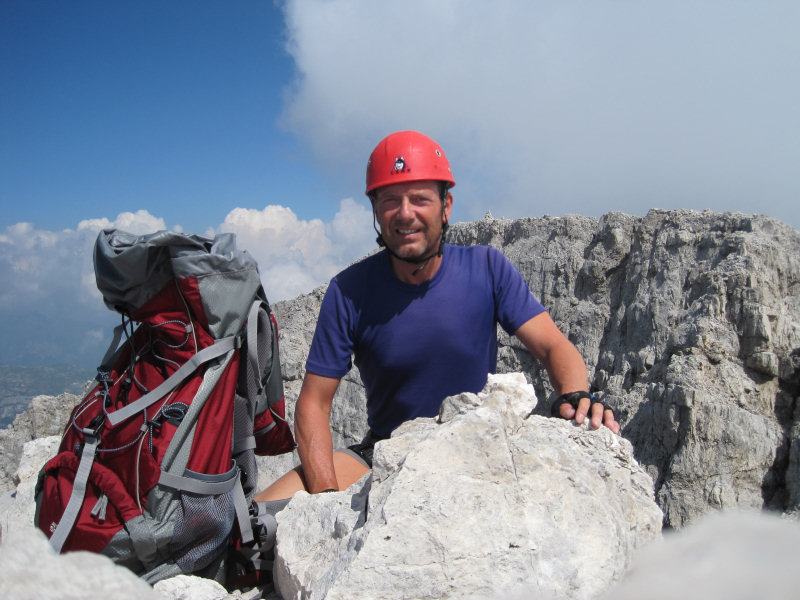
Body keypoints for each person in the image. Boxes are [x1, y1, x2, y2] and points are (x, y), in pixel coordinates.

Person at [255, 131, 619, 501]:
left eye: (420, 199)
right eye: (391, 200)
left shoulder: (487, 268)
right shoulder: (349, 291)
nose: (405, 213)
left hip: (475, 443)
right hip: (387, 451)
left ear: (446, 206)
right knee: (258, 521)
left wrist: (574, 393)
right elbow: (314, 403)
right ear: (377, 211)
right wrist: (324, 500)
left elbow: (552, 346)